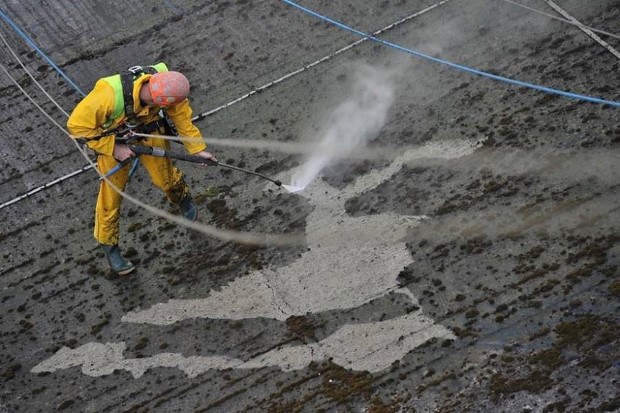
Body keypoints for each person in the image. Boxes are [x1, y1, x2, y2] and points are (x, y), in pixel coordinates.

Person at [67, 62, 216, 276]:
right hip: (111, 141)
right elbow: (76, 127)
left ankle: (182, 198)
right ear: (157, 99)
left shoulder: (170, 86)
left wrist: (197, 149)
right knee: (111, 198)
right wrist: (114, 148)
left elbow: (182, 118)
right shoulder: (107, 96)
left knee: (166, 179)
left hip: (149, 130)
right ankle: (110, 247)